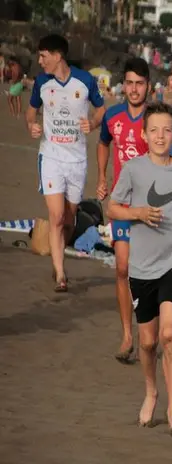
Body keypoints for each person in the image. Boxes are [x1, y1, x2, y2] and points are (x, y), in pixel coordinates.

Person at [107, 102, 172, 436]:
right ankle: (151, 391)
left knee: (169, 334)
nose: (161, 136)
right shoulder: (133, 169)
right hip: (141, 267)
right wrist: (138, 214)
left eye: (167, 130)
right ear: (145, 135)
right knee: (147, 343)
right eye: (154, 130)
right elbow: (113, 207)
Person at [27, 34, 105, 292]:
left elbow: (101, 108)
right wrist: (32, 124)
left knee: (69, 220)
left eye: (43, 55)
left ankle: (57, 252)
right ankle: (60, 273)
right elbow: (31, 110)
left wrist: (92, 123)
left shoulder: (85, 81)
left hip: (77, 160)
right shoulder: (41, 82)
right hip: (50, 157)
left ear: (57, 55)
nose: (40, 61)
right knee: (57, 216)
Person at [96, 57, 151, 363]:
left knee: (146, 274)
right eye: (129, 83)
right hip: (121, 205)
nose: (133, 89)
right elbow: (103, 143)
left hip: (150, 208)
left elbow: (167, 159)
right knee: (122, 268)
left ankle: (148, 331)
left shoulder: (156, 120)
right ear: (123, 85)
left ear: (148, 87)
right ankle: (127, 335)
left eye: (139, 83)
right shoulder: (113, 116)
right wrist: (102, 176)